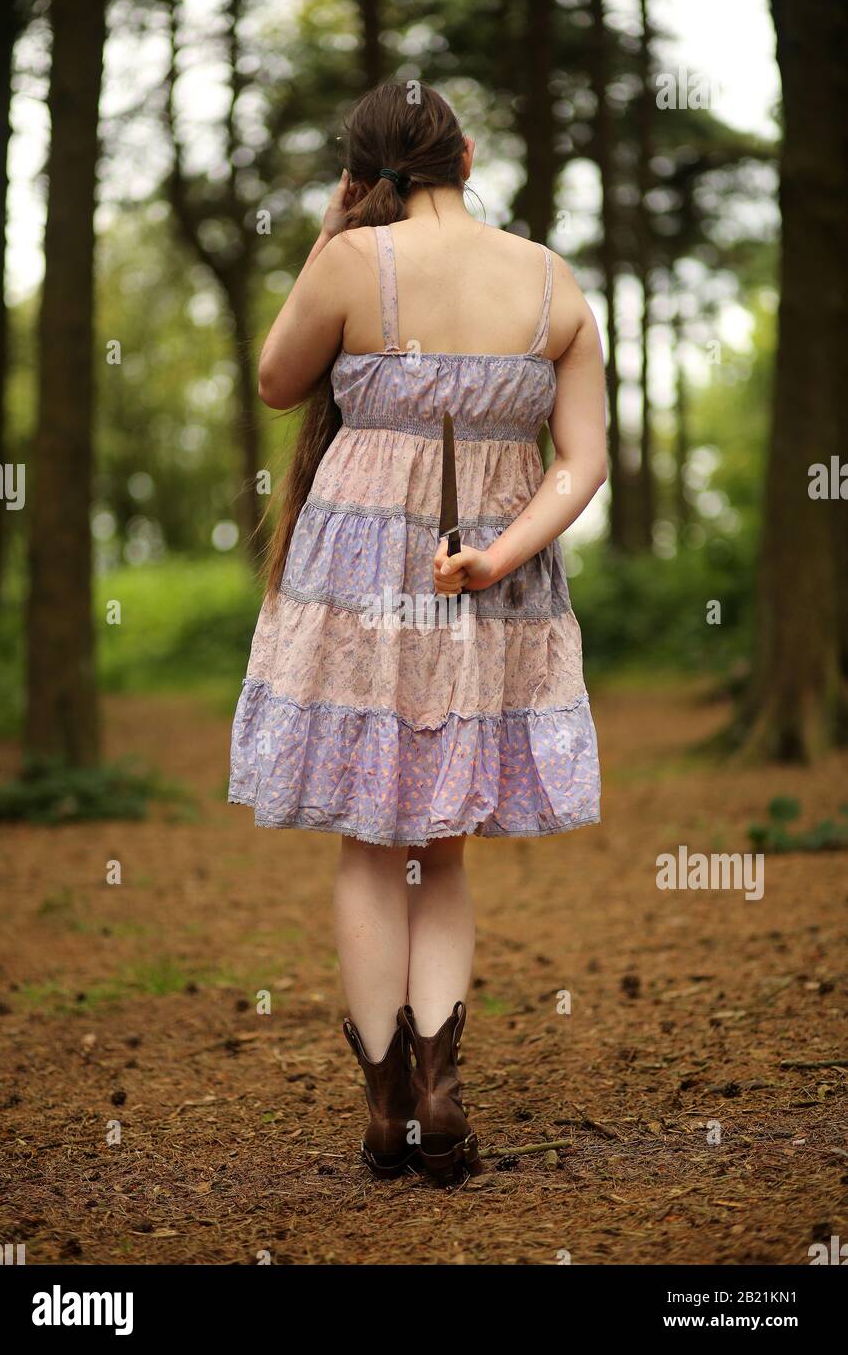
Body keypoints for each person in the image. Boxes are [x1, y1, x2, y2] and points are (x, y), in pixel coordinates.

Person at [229, 81, 606, 1186]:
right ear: (467, 153)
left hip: (356, 572)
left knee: (368, 833)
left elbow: (274, 379)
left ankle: (385, 1098)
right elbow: (581, 460)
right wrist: (495, 555)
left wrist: (329, 230)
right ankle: (438, 1097)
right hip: (493, 578)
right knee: (439, 844)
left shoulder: (354, 262)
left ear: (361, 174)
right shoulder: (550, 278)